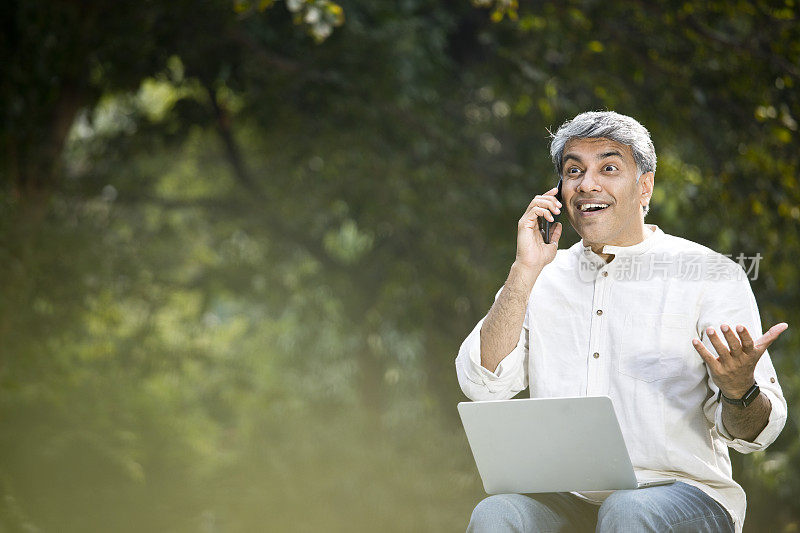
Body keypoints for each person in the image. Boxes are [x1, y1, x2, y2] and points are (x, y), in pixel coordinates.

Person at [455, 111, 788, 533]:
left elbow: (756, 434)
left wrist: (740, 388)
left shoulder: (710, 273)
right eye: (574, 170)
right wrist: (523, 271)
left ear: (644, 186)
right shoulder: (539, 274)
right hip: (568, 497)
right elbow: (483, 386)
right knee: (496, 513)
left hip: (683, 493)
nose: (587, 184)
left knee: (628, 512)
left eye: (608, 168)